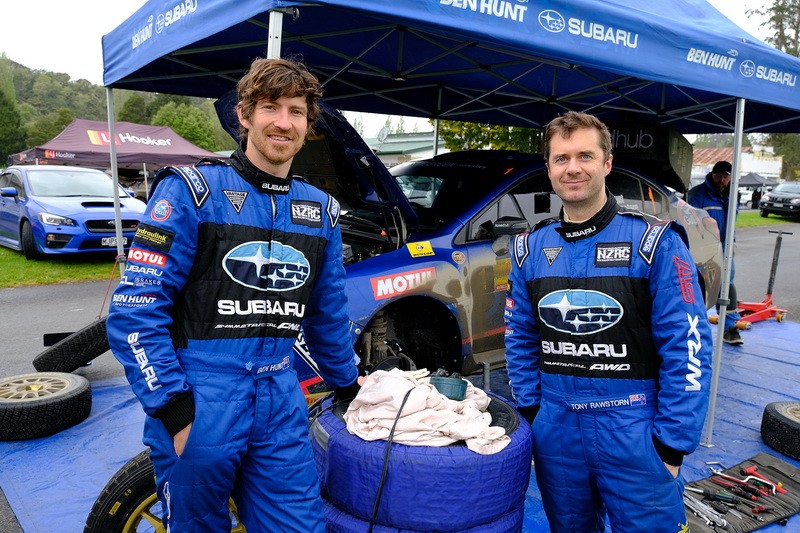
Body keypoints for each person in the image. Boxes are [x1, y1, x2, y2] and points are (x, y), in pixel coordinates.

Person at [106, 57, 361, 532]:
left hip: (281, 397)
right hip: (202, 397)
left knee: (301, 526)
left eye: (296, 112)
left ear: (309, 125)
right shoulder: (191, 192)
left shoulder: (320, 210)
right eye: (270, 107)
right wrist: (175, 411)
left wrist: (348, 386)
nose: (283, 122)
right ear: (244, 116)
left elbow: (328, 316)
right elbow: (136, 313)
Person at [504, 111, 713, 532]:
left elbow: (688, 346)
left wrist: (671, 445)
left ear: (607, 164)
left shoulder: (655, 242)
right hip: (558, 432)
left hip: (635, 429)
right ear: (548, 169)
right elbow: (520, 337)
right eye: (561, 159)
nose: (573, 168)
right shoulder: (528, 248)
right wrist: (533, 412)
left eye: (585, 155)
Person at [687, 160, 743, 345]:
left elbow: (732, 221)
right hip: (703, 248)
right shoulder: (697, 194)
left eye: (725, 176)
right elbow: (689, 222)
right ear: (712, 174)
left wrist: (732, 242)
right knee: (699, 285)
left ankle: (729, 328)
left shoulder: (734, 194)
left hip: (726, 248)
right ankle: (694, 326)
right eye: (718, 175)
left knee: (727, 284)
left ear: (731, 177)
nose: (721, 179)